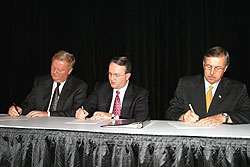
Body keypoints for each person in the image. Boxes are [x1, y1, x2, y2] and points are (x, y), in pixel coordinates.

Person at [166, 46, 250, 126]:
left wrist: (223, 117)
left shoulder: (237, 89)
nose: (212, 72)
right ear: (203, 64)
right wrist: (183, 116)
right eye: (208, 66)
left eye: (218, 68)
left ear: (225, 68)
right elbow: (171, 112)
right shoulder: (186, 84)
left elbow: (247, 113)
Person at [8, 50, 88, 117]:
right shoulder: (40, 81)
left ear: (69, 71)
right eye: (53, 67)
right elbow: (29, 103)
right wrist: (19, 109)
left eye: (60, 70)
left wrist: (48, 114)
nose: (55, 72)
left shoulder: (79, 86)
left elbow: (75, 111)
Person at [75, 56, 149, 121]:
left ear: (127, 76)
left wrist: (113, 116)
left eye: (116, 75)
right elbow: (87, 107)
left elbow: (139, 120)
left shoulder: (140, 94)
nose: (112, 78)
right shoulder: (101, 88)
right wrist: (81, 111)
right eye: (110, 74)